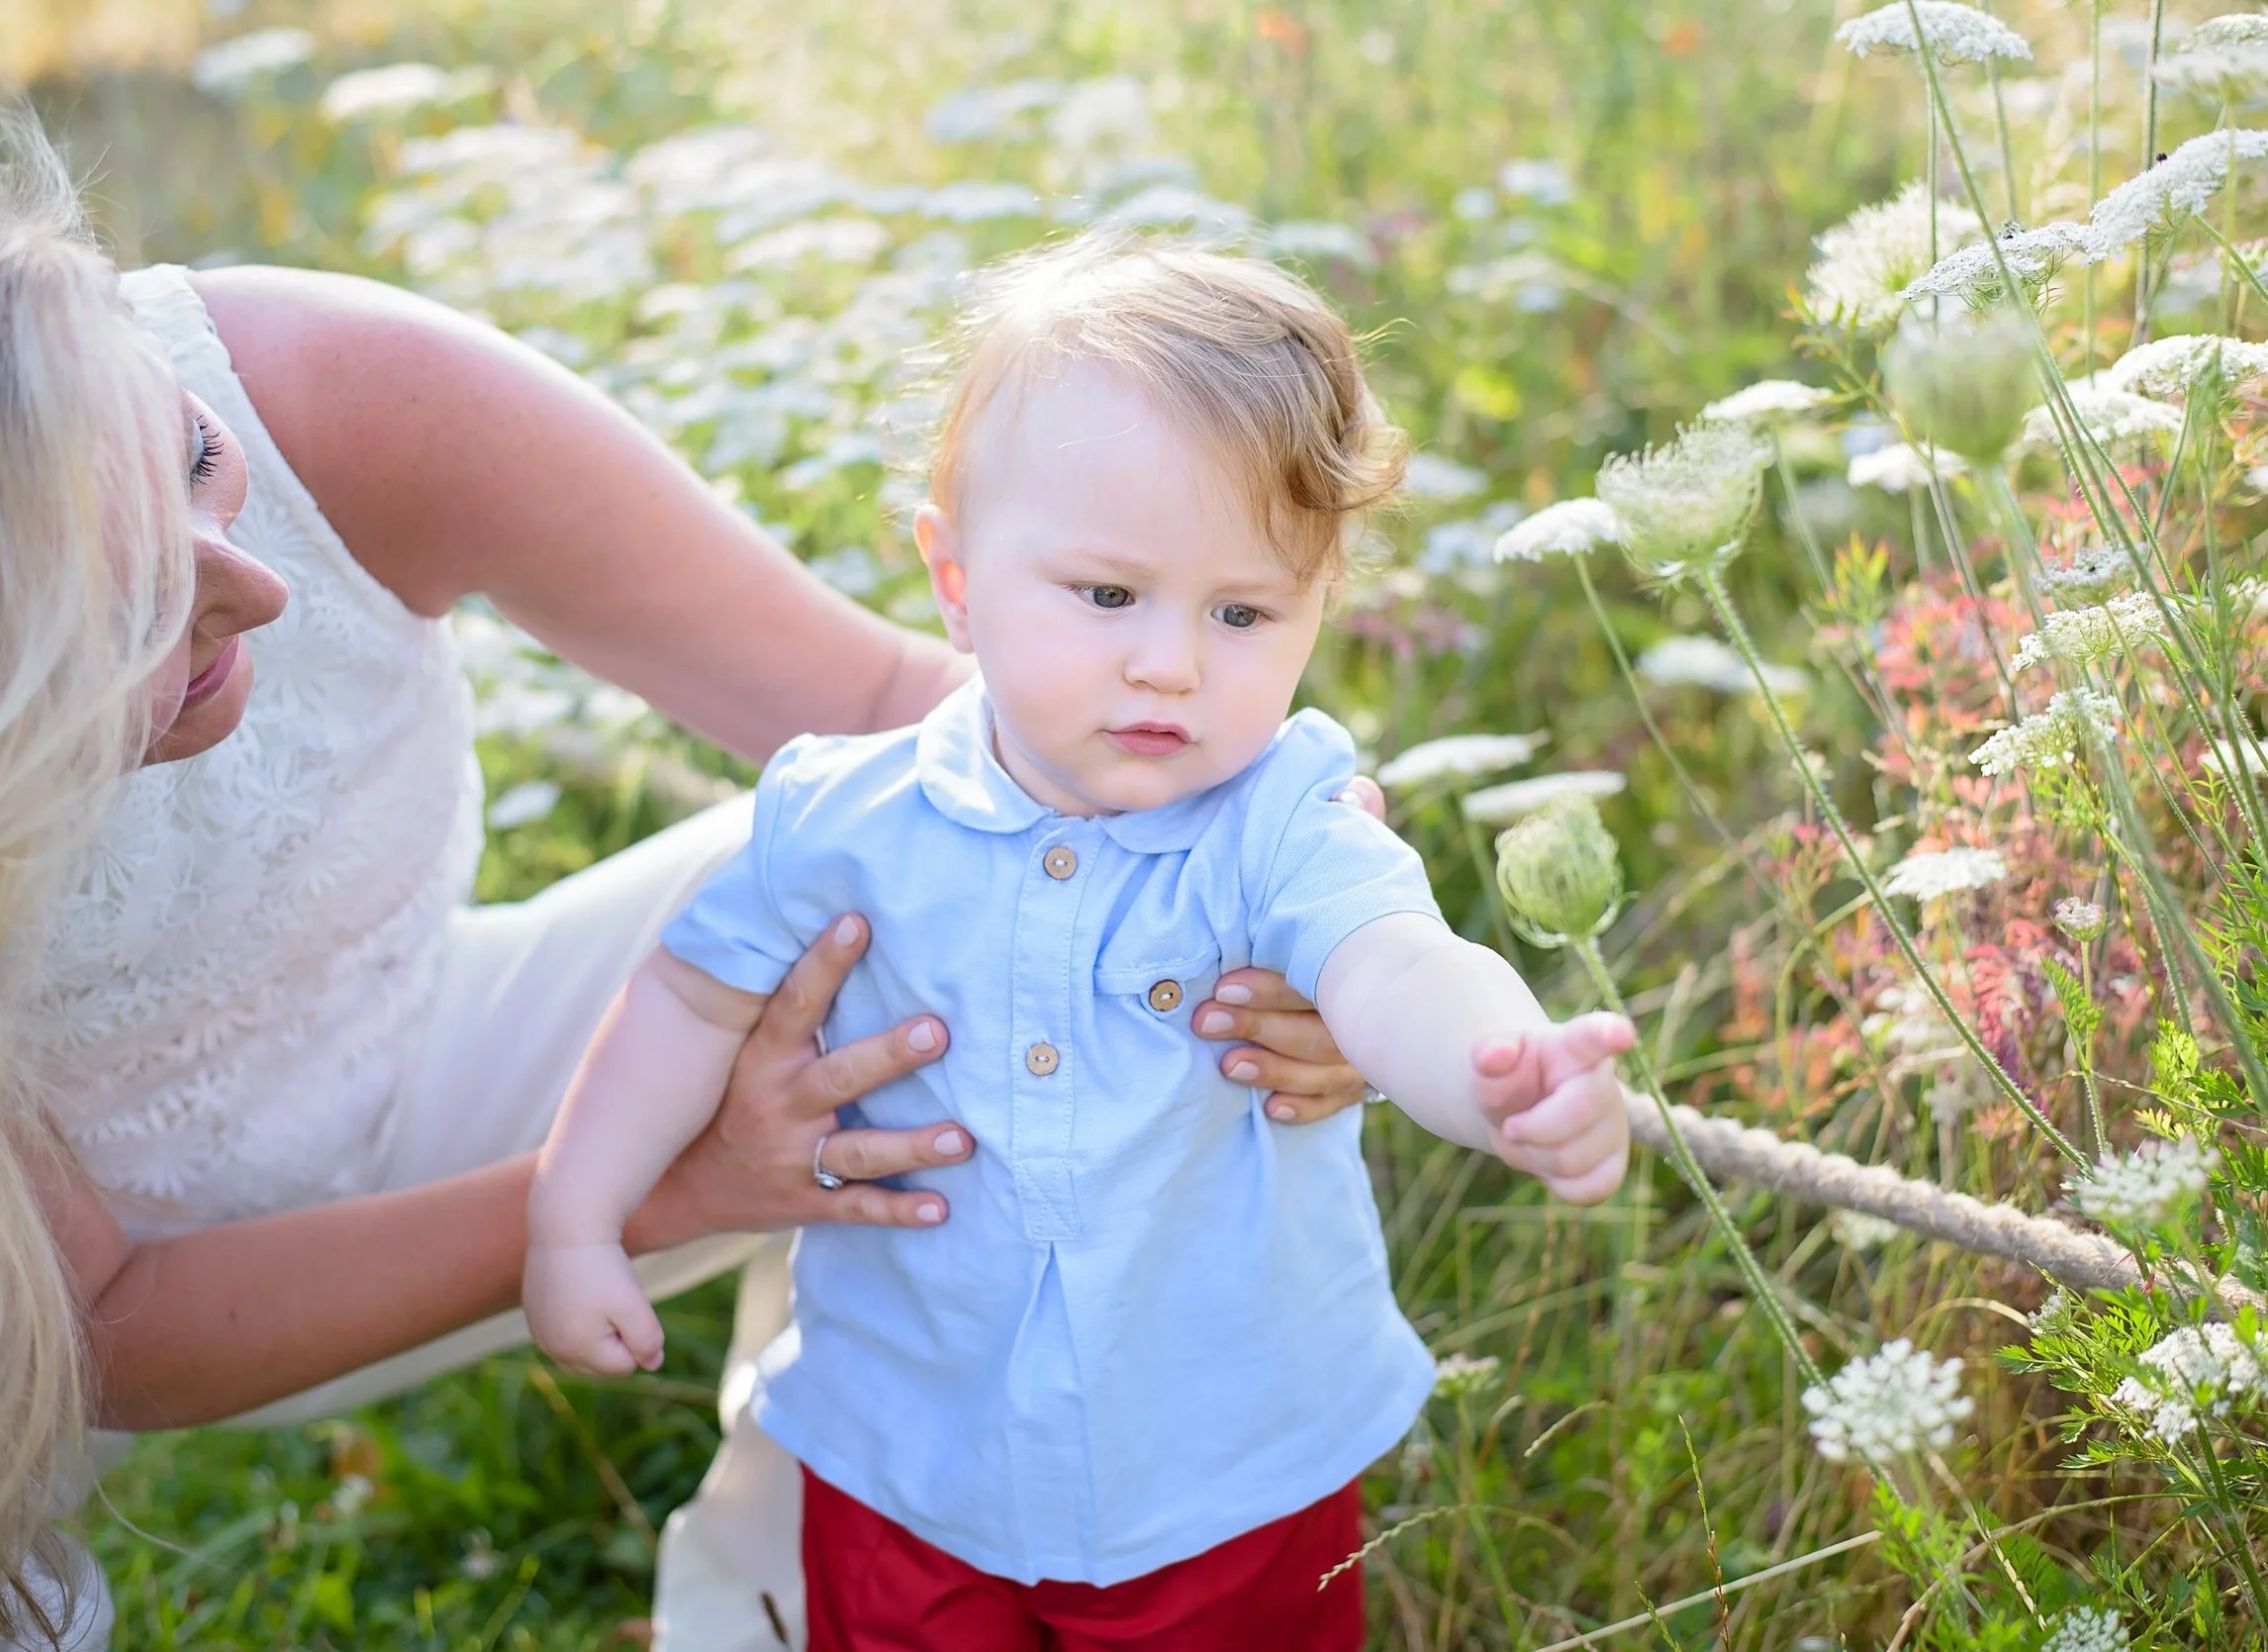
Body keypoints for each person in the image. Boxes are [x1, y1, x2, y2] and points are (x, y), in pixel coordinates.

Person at [0, 136, 1378, 1652]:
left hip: (414, 1051)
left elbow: (894, 714)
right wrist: (658, 1188)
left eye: (193, 458)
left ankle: (802, 1601)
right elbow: (107, 1327)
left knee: (895, 885)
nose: (254, 587)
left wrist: (1292, 905)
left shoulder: (334, 397)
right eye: (123, 593)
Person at [523, 239, 1635, 1649]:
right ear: (955, 576)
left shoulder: (1276, 820)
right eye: (1108, 596)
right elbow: (688, 1002)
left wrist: (1500, 1068)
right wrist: (575, 1216)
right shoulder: (843, 817)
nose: (1172, 661)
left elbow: (1392, 960)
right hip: (907, 1450)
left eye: (1243, 612)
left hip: (1218, 1469)